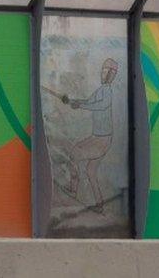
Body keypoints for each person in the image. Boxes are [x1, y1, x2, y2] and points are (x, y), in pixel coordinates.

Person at [57, 58, 117, 213]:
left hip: (101, 140)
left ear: (112, 74)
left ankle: (73, 189)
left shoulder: (108, 91)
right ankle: (99, 204)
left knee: (74, 154)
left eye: (108, 71)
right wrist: (71, 101)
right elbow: (88, 101)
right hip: (98, 138)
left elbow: (99, 106)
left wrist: (80, 105)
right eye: (103, 70)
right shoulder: (101, 90)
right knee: (91, 171)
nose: (104, 73)